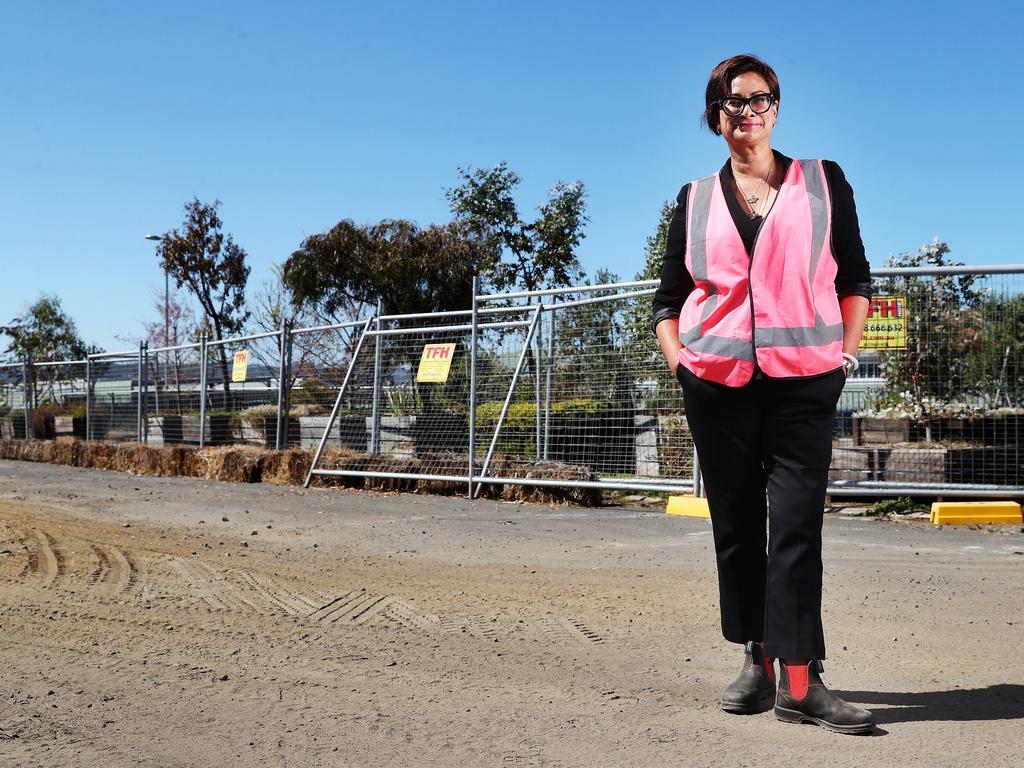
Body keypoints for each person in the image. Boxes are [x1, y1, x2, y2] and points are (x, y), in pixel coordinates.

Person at [652, 54, 875, 734]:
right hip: (717, 388)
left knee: (798, 528)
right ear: (714, 119)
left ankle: (801, 681)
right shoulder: (693, 199)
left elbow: (855, 280)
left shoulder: (823, 182)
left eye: (757, 99)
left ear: (777, 106)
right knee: (738, 530)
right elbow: (668, 301)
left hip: (805, 382)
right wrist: (680, 363)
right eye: (729, 102)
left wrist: (844, 356)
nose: (744, 112)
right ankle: (757, 659)